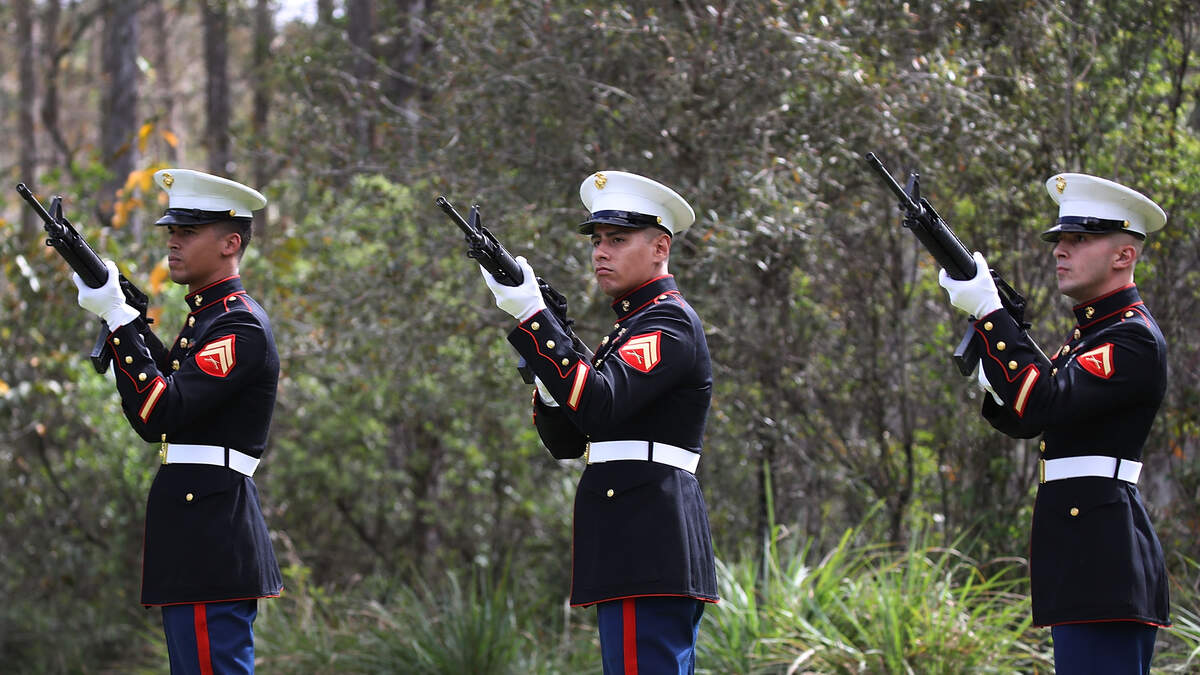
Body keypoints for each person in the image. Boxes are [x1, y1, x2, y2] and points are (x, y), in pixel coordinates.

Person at [479, 171, 718, 674]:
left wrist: (534, 316)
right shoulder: (630, 327)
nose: (601, 253)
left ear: (660, 247)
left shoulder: (667, 321)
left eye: (618, 239)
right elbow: (568, 440)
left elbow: (599, 404)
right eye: (597, 241)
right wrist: (548, 375)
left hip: (646, 532)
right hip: (634, 534)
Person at [938, 172, 1170, 674]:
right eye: (1060, 239)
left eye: (1080, 239)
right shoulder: (1091, 336)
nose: (1061, 250)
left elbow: (1042, 403)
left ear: (1123, 255)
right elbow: (1030, 420)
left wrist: (990, 312)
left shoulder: (1132, 339)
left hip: (1104, 561)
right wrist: (993, 373)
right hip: (1083, 559)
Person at [72, 169, 282, 673]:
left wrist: (120, 319)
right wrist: (122, 313)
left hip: (212, 533)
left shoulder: (239, 325)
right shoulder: (207, 319)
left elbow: (160, 411)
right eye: (172, 231)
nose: (173, 242)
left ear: (231, 243)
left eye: (188, 231)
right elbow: (164, 398)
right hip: (194, 532)